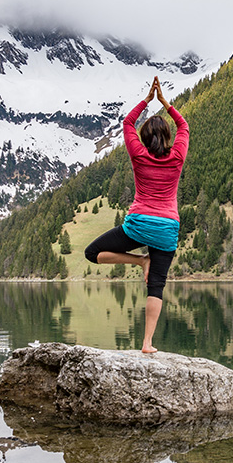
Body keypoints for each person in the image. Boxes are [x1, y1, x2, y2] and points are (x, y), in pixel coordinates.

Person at [85, 77, 189, 353]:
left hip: (139, 224)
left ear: (144, 139)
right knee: (156, 286)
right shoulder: (177, 156)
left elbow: (127, 124)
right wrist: (166, 103)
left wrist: (147, 100)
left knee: (92, 252)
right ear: (167, 137)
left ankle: (139, 261)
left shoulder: (139, 155)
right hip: (167, 228)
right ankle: (147, 343)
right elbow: (184, 126)